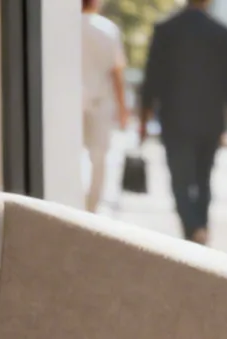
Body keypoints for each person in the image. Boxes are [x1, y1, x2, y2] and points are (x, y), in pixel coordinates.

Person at [139, 0, 227, 244]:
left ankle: (193, 228)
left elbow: (152, 76)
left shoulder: (166, 30)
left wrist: (144, 115)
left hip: (175, 118)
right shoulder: (222, 33)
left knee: (180, 180)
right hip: (210, 119)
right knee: (203, 178)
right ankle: (199, 228)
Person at [81, 0, 129, 213]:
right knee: (98, 157)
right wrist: (123, 108)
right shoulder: (107, 29)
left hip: (71, 102)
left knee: (73, 155)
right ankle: (91, 207)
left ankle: (75, 203)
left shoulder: (66, 26)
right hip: (100, 102)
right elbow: (116, 72)